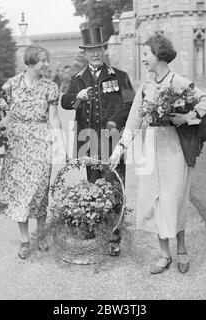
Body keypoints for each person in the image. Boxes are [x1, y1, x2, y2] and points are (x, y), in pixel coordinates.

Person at [109, 34, 206, 274]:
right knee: (155, 200)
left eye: (146, 54)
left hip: (175, 148)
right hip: (151, 147)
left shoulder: (178, 82)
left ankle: (181, 250)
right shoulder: (146, 87)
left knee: (174, 199)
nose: (143, 58)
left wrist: (187, 118)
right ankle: (164, 254)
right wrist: (120, 147)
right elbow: (134, 121)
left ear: (159, 55)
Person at [61, 27, 135, 256]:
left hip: (112, 140)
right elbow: (64, 101)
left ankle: (114, 236)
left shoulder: (119, 75)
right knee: (93, 186)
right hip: (88, 141)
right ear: (85, 53)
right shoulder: (78, 79)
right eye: (90, 50)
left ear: (104, 50)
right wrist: (77, 97)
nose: (95, 54)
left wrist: (115, 121)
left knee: (113, 185)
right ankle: (94, 227)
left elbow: (130, 104)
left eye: (98, 49)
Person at [0, 45, 67, 260]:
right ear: (29, 63)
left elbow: (54, 118)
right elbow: (3, 115)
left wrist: (61, 145)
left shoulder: (50, 87)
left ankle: (42, 235)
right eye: (41, 60)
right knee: (20, 191)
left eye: (47, 59)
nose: (46, 64)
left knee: (39, 189)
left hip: (40, 140)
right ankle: (25, 241)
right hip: (16, 142)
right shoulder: (11, 85)